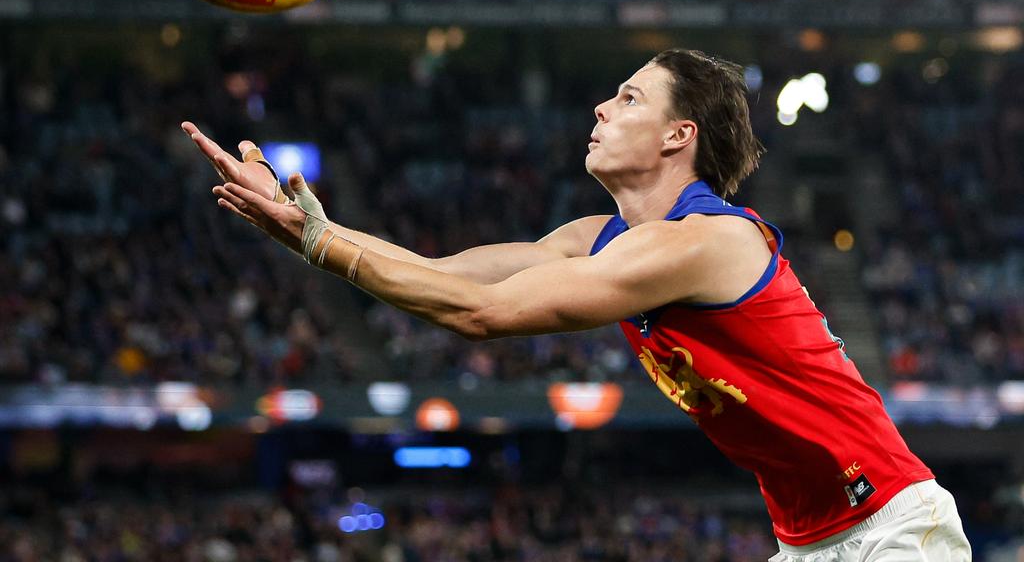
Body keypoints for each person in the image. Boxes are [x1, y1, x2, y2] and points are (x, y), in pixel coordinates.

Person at [183, 48, 971, 561]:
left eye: (628, 99)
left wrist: (321, 244)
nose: (600, 108)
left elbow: (474, 314)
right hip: (812, 541)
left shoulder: (702, 241)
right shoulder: (602, 238)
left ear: (677, 136)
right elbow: (445, 275)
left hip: (892, 531)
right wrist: (310, 227)